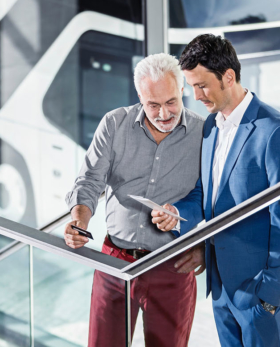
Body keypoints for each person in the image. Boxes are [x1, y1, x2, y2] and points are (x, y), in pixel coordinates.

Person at [157, 34, 280, 347]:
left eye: (202, 86)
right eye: (191, 86)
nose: (196, 96)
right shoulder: (211, 127)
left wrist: (271, 296)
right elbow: (205, 195)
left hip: (261, 296)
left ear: (229, 77)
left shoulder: (275, 131)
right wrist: (176, 213)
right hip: (222, 288)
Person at [64, 53, 205, 347]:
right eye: (153, 105)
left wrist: (186, 222)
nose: (164, 114)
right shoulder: (114, 124)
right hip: (114, 262)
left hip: (172, 265)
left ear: (181, 90)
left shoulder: (204, 134)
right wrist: (79, 219)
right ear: (140, 96)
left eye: (171, 102)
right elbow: (90, 180)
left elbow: (210, 195)